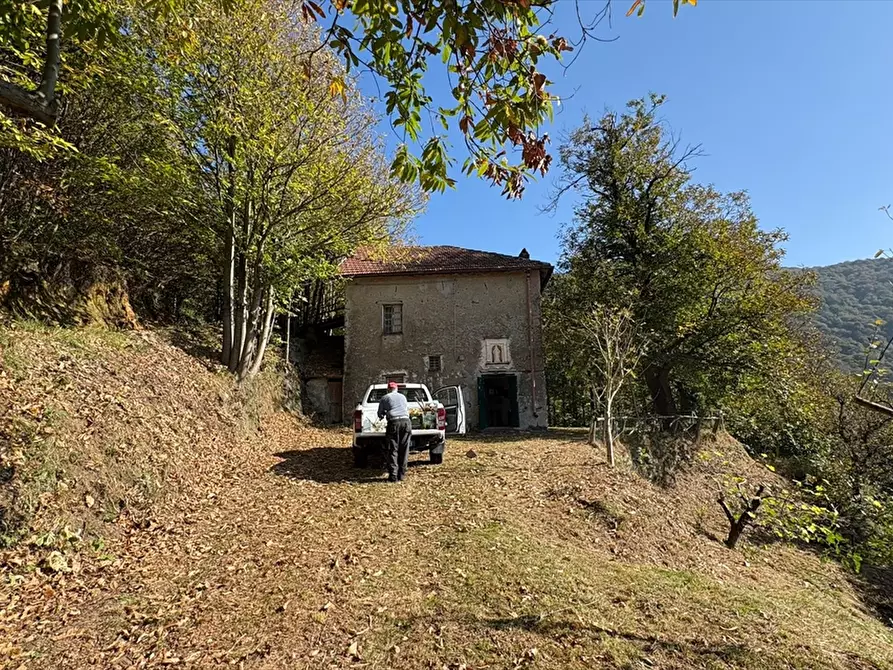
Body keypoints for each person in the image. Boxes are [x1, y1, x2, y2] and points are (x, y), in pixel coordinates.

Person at [377, 381, 411, 482]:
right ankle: (402, 474)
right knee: (404, 449)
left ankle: (393, 476)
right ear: (396, 389)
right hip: (406, 422)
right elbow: (405, 408)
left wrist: (382, 415)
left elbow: (380, 413)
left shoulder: (385, 398)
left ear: (388, 389)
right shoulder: (403, 397)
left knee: (393, 448)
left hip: (394, 423)